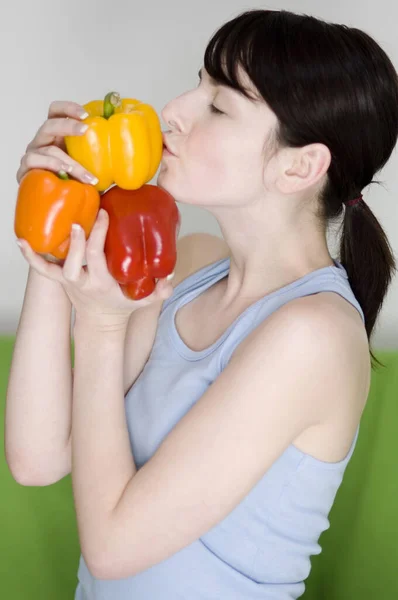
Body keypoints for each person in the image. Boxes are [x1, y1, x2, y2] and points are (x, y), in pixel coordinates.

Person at [5, 7, 398, 600]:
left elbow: (112, 548)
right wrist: (59, 213)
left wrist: (103, 328)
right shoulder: (189, 263)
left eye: (218, 105)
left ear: (301, 166)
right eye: (198, 85)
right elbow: (38, 458)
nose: (174, 112)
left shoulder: (313, 334)